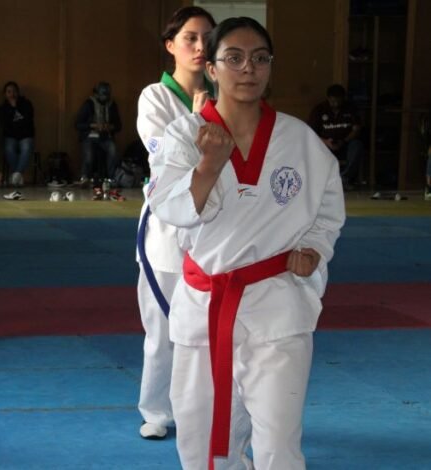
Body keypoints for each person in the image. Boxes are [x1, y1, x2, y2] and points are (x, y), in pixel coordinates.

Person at [147, 17, 345, 469]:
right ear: (212, 70)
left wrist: (313, 248)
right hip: (205, 305)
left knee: (278, 443)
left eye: (259, 58)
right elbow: (169, 209)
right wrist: (209, 165)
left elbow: (328, 208)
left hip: (276, 304)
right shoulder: (184, 135)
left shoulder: (300, 141)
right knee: (200, 443)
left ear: (270, 68)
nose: (248, 68)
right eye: (233, 58)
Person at [134, 6, 216, 441]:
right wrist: (198, 119)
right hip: (165, 228)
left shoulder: (225, 93)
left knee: (205, 326)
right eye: (190, 38)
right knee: (162, 325)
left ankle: (198, 407)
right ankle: (156, 410)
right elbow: (165, 155)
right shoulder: (155, 96)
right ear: (171, 46)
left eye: (207, 38)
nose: (201, 47)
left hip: (213, 226)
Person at [308, 84, 365, 189]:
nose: (336, 104)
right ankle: (322, 181)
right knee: (312, 147)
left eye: (338, 101)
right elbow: (311, 132)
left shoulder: (351, 108)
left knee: (357, 146)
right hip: (326, 144)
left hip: (346, 143)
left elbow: (356, 129)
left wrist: (343, 141)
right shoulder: (319, 109)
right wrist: (326, 142)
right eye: (333, 101)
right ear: (328, 98)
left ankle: (344, 179)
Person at [75, 81, 122, 186]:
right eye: (102, 95)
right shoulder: (89, 104)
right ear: (96, 94)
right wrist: (94, 125)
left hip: (106, 137)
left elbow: (119, 125)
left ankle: (111, 178)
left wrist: (109, 126)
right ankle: (84, 177)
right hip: (90, 135)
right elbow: (78, 124)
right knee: (89, 155)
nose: (104, 98)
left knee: (113, 149)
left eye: (107, 95)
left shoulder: (112, 105)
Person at [0, 81, 35, 187]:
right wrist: (13, 109)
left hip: (26, 135)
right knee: (8, 148)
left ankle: (15, 174)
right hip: (11, 136)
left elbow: (28, 121)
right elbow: (6, 125)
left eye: (14, 91)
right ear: (5, 94)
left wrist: (16, 110)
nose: (12, 94)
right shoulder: (2, 109)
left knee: (27, 147)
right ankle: (18, 175)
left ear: (18, 92)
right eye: (9, 92)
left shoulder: (26, 104)